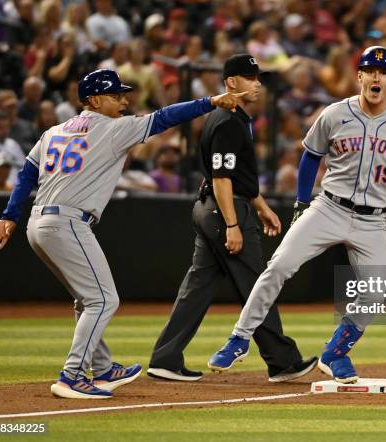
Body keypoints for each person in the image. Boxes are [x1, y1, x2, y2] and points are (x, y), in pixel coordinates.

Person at [0, 69, 245, 399]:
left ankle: (104, 367)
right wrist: (211, 101)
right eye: (116, 95)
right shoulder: (112, 129)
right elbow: (166, 117)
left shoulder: (53, 131)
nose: (124, 100)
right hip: (66, 223)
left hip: (38, 224)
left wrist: (10, 215)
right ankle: (72, 375)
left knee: (87, 299)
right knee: (103, 299)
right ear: (94, 100)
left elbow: (26, 173)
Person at [208, 47, 386, 384]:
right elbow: (311, 156)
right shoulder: (334, 114)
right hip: (329, 207)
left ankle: (337, 351)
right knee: (279, 266)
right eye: (369, 70)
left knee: (375, 291)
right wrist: (301, 201)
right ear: (359, 76)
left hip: (372, 219)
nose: (375, 76)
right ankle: (239, 339)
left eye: (382, 72)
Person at [147, 54, 318, 384]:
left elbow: (236, 176)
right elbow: (222, 177)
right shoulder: (227, 121)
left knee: (196, 288)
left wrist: (261, 205)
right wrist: (233, 224)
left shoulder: (229, 117)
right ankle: (282, 360)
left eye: (258, 77)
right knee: (259, 284)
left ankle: (165, 358)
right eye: (249, 77)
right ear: (230, 82)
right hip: (224, 210)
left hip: (211, 206)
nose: (257, 83)